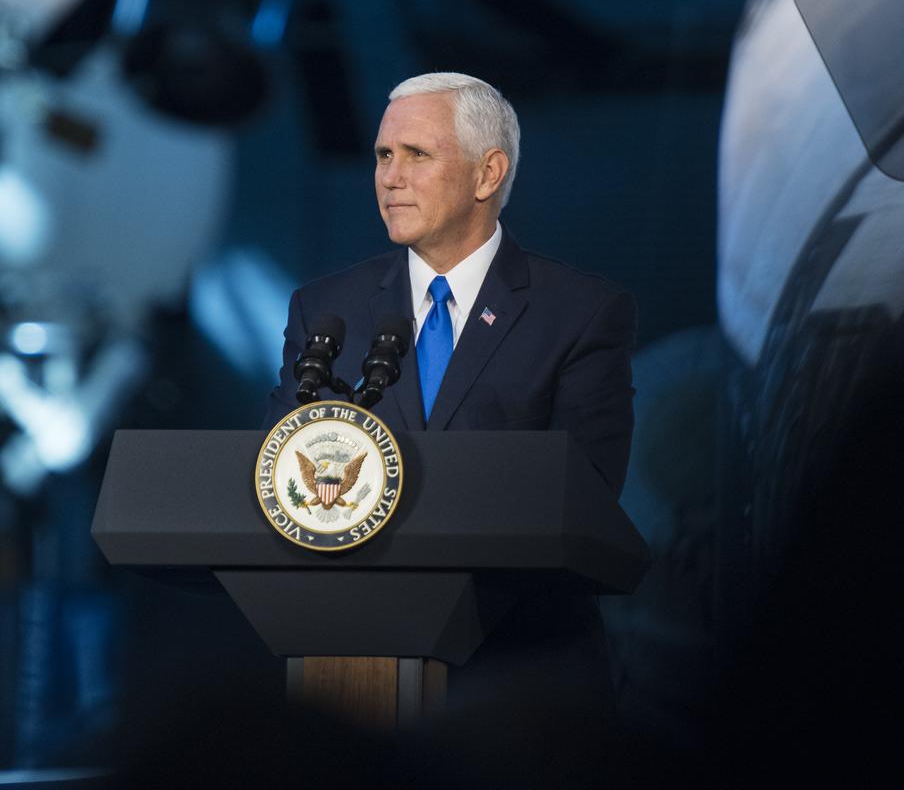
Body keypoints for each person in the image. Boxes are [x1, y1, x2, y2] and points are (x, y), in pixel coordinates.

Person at [264, 72, 637, 710]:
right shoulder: (326, 310)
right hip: (350, 672)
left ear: (488, 175)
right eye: (383, 155)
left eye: (417, 155)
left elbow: (586, 493)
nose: (389, 177)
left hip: (524, 678)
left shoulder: (579, 312)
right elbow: (275, 479)